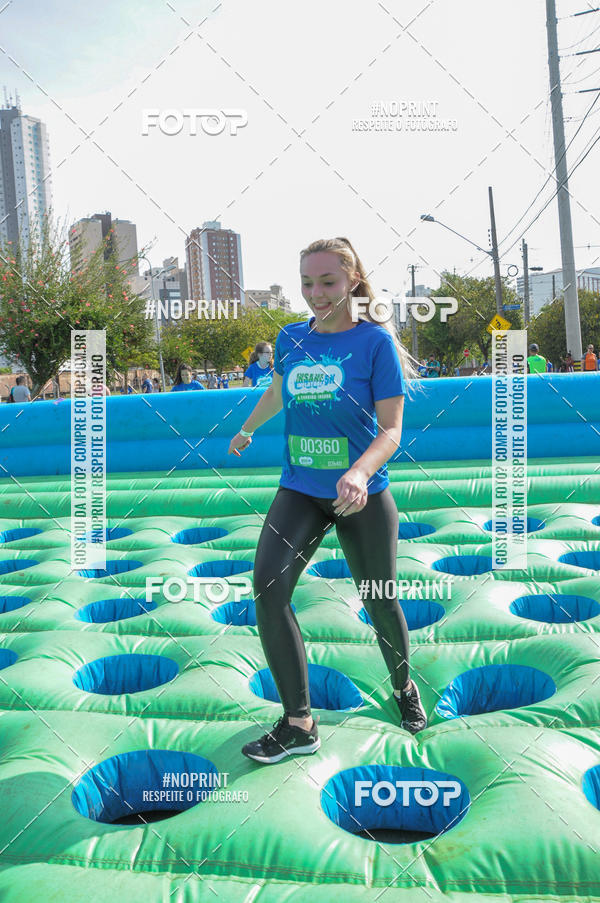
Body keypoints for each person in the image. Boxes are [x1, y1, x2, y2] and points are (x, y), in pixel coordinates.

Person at [228, 235, 427, 765]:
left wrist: (360, 473)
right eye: (308, 283)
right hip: (300, 489)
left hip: (362, 497)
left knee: (380, 600)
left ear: (353, 281)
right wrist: (247, 428)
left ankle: (404, 687)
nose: (316, 293)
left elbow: (390, 430)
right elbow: (278, 391)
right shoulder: (291, 339)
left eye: (328, 282)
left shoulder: (374, 343)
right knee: (268, 591)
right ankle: (298, 723)